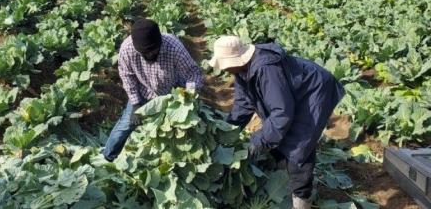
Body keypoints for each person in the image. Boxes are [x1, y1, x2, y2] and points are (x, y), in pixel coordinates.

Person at [208, 36, 345, 209]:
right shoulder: (241, 70)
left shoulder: (266, 69)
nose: (226, 70)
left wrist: (257, 142)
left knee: (298, 147)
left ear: (237, 59)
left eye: (226, 65)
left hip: (313, 92)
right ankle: (284, 180)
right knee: (278, 136)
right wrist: (228, 131)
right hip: (292, 94)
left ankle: (302, 200)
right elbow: (243, 104)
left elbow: (282, 113)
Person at [103, 18, 204, 161]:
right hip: (144, 91)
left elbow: (192, 72)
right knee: (125, 125)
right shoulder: (127, 49)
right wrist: (136, 105)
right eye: (144, 52)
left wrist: (188, 97)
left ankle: (180, 159)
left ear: (160, 42)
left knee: (184, 127)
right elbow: (127, 77)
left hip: (173, 93)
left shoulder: (173, 46)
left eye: (153, 50)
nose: (149, 55)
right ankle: (108, 157)